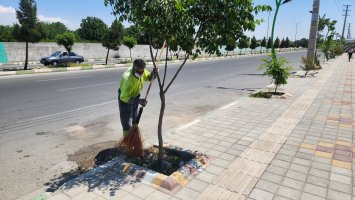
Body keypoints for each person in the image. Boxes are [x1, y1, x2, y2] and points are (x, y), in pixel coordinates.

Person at [118, 59, 157, 137]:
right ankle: (127, 143)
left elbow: (149, 78)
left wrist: (153, 75)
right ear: (133, 68)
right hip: (125, 100)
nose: (141, 74)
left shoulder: (142, 70)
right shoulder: (128, 79)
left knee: (135, 119)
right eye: (139, 72)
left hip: (135, 96)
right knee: (126, 122)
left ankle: (134, 137)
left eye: (142, 72)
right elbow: (123, 97)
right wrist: (139, 101)